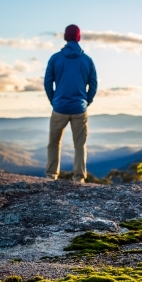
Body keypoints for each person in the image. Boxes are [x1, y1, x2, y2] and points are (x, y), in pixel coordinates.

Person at [44, 24, 97, 183]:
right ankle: (79, 178)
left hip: (59, 108)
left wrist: (54, 100)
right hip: (79, 109)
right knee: (80, 145)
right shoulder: (87, 60)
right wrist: (86, 101)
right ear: (79, 37)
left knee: (54, 143)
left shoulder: (55, 58)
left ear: (65, 37)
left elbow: (48, 82)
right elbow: (93, 84)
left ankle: (51, 176)